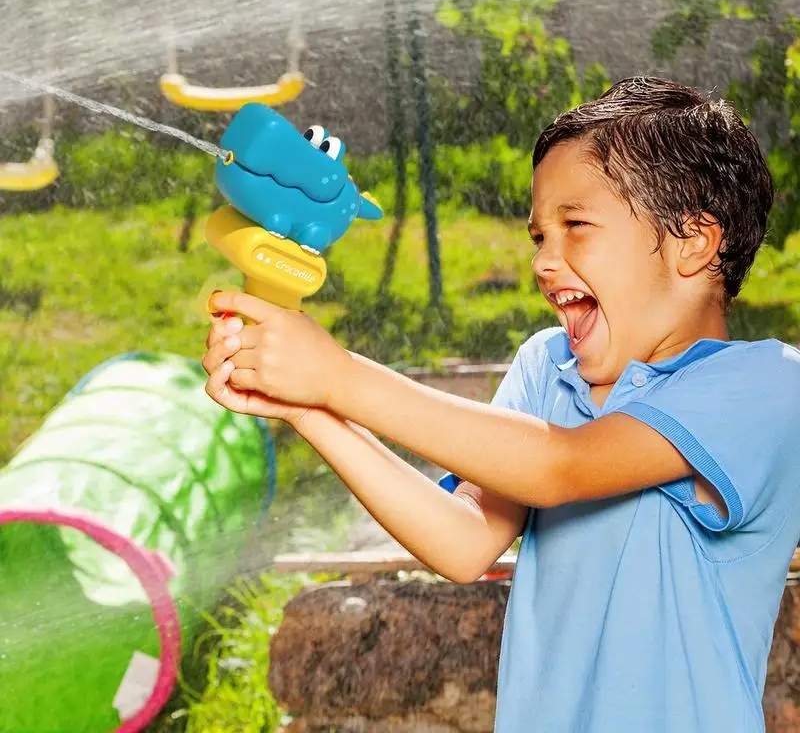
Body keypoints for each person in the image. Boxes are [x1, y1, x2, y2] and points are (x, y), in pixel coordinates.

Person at [201, 76, 800, 732]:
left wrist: (337, 374)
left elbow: (561, 468)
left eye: (576, 227)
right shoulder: (548, 367)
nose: (546, 262)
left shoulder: (766, 385)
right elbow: (462, 544)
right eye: (540, 236)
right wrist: (307, 406)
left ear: (694, 240)